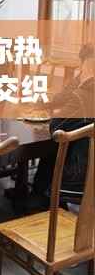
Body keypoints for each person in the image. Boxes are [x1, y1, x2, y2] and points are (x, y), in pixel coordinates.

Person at [31, 43, 95, 204]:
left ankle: (41, 200)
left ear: (86, 63)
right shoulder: (81, 85)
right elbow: (62, 97)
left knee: (54, 147)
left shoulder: (83, 94)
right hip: (86, 160)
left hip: (79, 173)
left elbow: (56, 128)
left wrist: (83, 82)